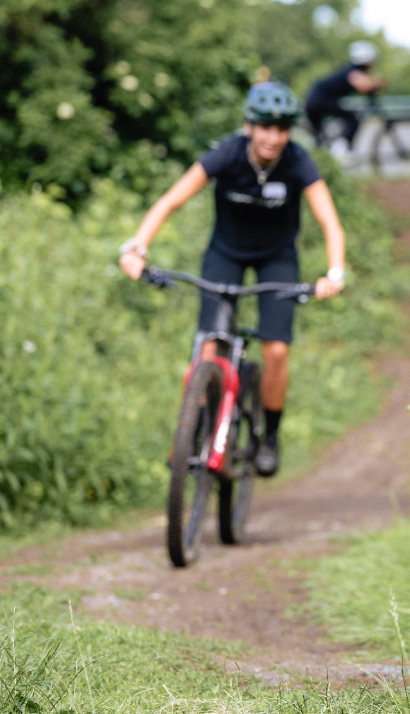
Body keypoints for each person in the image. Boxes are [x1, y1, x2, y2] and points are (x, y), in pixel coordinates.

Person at [118, 81, 347, 477]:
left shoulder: (297, 161)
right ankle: (194, 431)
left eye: (281, 129)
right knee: (209, 345)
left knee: (276, 350)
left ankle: (270, 436)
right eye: (264, 127)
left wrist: (334, 271)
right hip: (225, 254)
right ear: (249, 126)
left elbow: (329, 220)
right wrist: (137, 247)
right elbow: (171, 200)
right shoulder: (226, 153)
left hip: (277, 259)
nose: (273, 137)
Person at [304, 40, 387, 157]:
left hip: (314, 99)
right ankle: (341, 148)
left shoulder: (350, 70)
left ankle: (325, 155)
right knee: (352, 119)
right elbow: (364, 85)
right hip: (320, 101)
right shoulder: (354, 72)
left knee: (319, 137)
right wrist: (378, 84)